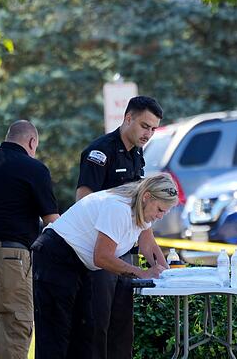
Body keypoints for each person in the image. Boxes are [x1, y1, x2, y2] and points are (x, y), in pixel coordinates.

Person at [32, 174, 177, 359]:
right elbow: (102, 257)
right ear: (147, 196)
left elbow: (148, 245)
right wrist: (142, 273)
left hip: (79, 263)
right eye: (159, 209)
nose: (160, 216)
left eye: (165, 212)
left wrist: (167, 275)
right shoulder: (118, 208)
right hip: (56, 257)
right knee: (56, 335)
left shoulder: (142, 208)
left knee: (85, 334)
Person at [76, 95, 168, 359]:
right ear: (128, 118)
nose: (149, 133)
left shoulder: (137, 155)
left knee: (122, 328)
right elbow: (83, 201)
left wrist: (162, 266)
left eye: (153, 128)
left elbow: (142, 217)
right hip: (100, 254)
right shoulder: (100, 151)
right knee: (97, 328)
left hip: (125, 250)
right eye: (144, 126)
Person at [0, 120, 59, 359]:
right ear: (32, 142)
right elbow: (52, 221)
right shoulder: (34, 168)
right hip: (11, 255)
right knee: (16, 322)